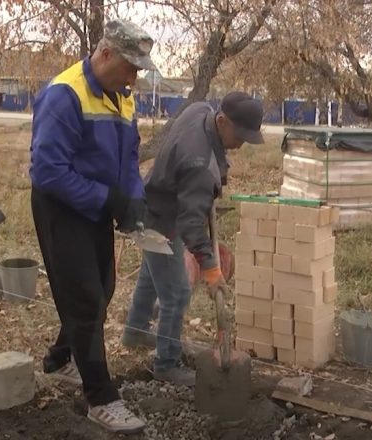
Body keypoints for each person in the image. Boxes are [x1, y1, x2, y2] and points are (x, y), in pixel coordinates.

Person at [28, 19, 157, 434]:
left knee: (102, 290)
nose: (134, 77)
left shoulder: (123, 98)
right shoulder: (64, 94)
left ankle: (60, 359)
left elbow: (130, 155)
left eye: (138, 70)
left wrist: (132, 198)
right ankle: (101, 398)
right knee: (84, 298)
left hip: (98, 206)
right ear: (103, 55)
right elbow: (48, 171)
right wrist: (108, 200)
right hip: (61, 207)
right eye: (130, 67)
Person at [121, 92, 265, 386]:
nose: (240, 145)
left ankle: (135, 330)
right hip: (158, 219)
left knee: (152, 275)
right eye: (240, 136)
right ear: (222, 121)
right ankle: (167, 363)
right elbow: (191, 225)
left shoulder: (201, 109)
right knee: (177, 294)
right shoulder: (199, 164)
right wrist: (211, 270)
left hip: (151, 202)